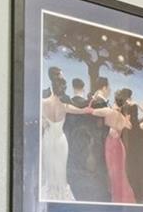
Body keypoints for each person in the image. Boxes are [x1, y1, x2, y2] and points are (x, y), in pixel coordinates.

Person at [62, 77, 109, 202]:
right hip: (87, 142)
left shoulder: (68, 103)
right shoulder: (88, 103)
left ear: (73, 87)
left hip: (71, 142)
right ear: (83, 88)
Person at [39, 67, 72, 201]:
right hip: (49, 138)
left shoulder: (64, 99)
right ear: (54, 76)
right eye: (60, 75)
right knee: (49, 169)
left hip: (58, 139)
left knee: (60, 170)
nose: (62, 77)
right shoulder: (43, 94)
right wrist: (41, 120)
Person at [119, 88, 143, 204]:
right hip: (137, 138)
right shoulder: (133, 106)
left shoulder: (122, 108)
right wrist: (139, 105)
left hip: (128, 140)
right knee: (139, 165)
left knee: (130, 166)